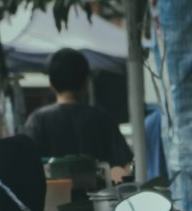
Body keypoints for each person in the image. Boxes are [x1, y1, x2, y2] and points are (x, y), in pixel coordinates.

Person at [22, 48, 132, 180]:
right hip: (98, 198)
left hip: (54, 199)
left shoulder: (37, 121)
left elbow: (25, 166)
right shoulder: (102, 118)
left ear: (51, 84)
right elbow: (123, 166)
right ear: (85, 82)